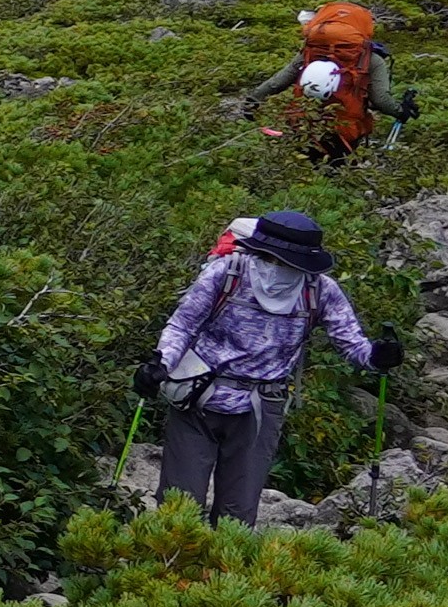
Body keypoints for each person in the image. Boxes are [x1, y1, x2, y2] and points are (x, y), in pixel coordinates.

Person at [152, 207, 390, 525]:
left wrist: (377, 356)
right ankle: (170, 569)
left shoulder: (320, 290)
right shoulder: (227, 273)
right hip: (198, 396)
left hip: (261, 406)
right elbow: (183, 325)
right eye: (273, 261)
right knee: (180, 504)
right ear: (260, 252)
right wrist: (161, 362)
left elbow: (351, 343)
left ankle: (222, 571)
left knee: (237, 512)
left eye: (290, 264)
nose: (280, 270)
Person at [245, 0, 405, 163]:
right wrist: (401, 111)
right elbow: (380, 100)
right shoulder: (371, 59)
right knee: (338, 173)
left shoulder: (310, 51)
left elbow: (277, 82)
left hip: (302, 125)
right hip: (344, 131)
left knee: (301, 170)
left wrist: (253, 100)